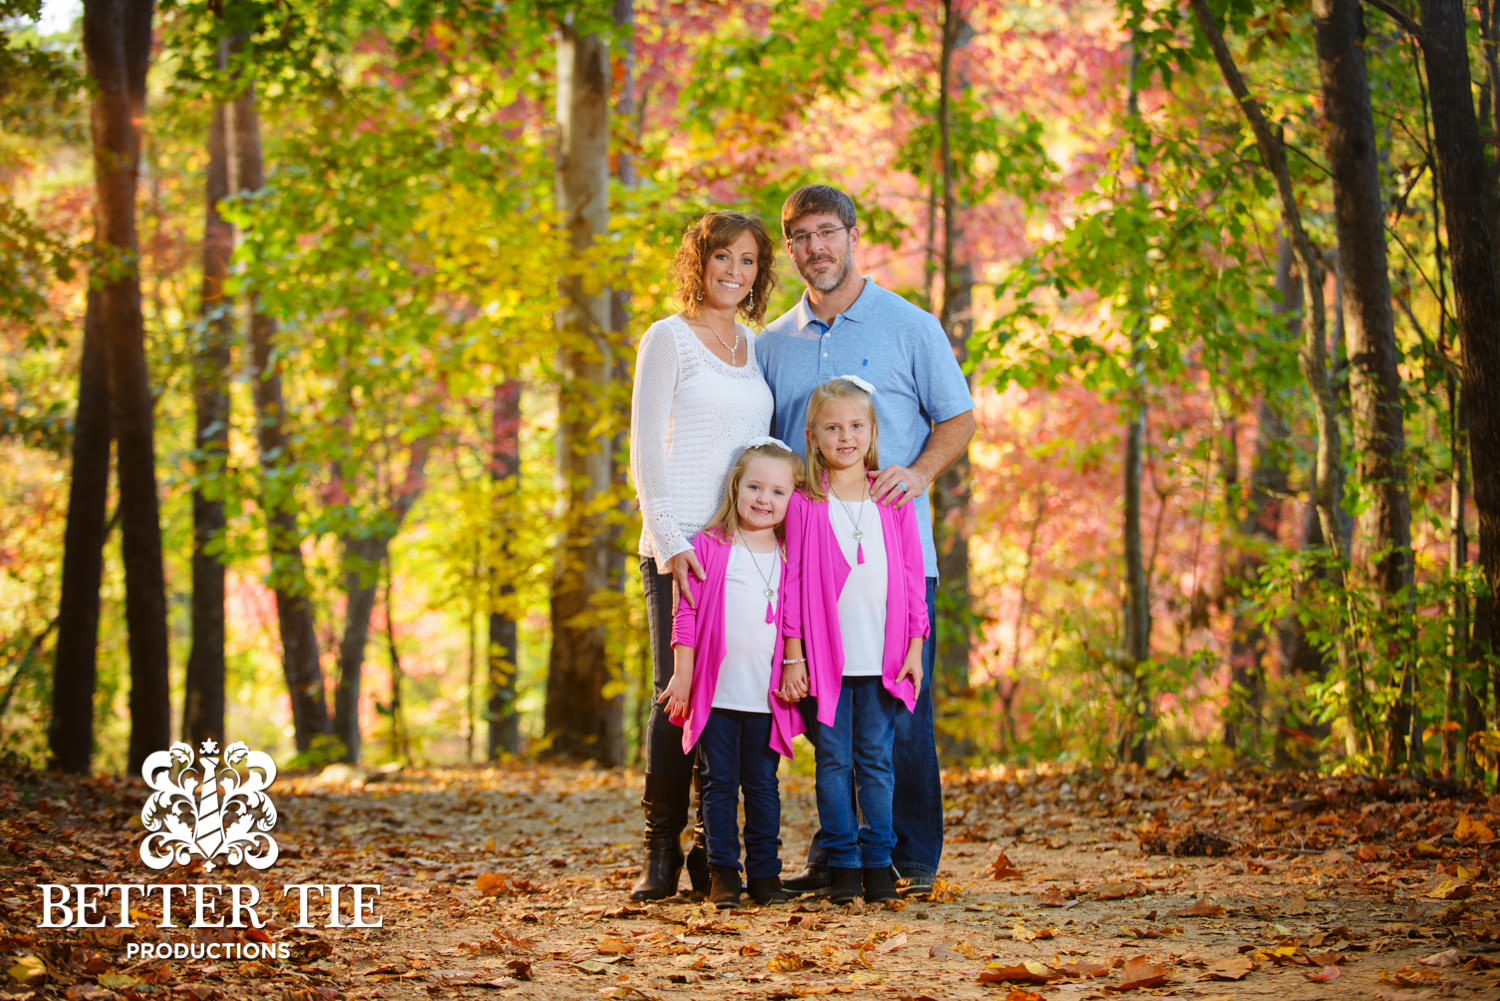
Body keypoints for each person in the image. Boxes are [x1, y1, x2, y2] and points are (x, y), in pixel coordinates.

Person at [755, 184, 975, 898]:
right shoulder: (771, 345)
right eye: (800, 238)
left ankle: (910, 859)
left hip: (896, 559)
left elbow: (959, 419)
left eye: (826, 232)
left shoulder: (910, 326)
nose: (815, 248)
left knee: (899, 713)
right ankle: (842, 853)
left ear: (853, 234)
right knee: (825, 717)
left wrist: (916, 471)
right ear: (788, 249)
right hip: (805, 565)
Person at [628, 211, 777, 900]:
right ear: (699, 261)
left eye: (747, 261)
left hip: (741, 548)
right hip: (681, 544)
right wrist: (670, 540)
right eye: (723, 257)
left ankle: (713, 849)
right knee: (678, 695)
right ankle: (661, 846)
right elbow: (643, 452)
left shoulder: (753, 346)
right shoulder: (668, 338)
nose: (734, 272)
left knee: (731, 698)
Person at [779, 376, 926, 904]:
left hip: (883, 659)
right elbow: (792, 581)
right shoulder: (803, 504)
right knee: (834, 763)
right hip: (826, 664)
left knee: (877, 763)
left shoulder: (892, 499)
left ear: (872, 431)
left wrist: (914, 647)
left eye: (856, 426)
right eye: (833, 427)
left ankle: (878, 862)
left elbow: (911, 576)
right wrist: (793, 654)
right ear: (813, 435)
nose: (846, 436)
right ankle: (841, 862)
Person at [659, 439, 804, 909]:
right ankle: (723, 874)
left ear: (792, 498)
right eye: (755, 487)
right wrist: (683, 674)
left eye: (778, 492)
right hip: (717, 695)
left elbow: (795, 619)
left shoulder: (790, 553)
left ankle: (765, 875)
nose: (765, 499)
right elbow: (687, 613)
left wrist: (792, 666)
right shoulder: (711, 544)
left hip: (766, 699)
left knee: (763, 786)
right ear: (736, 487)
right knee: (718, 785)